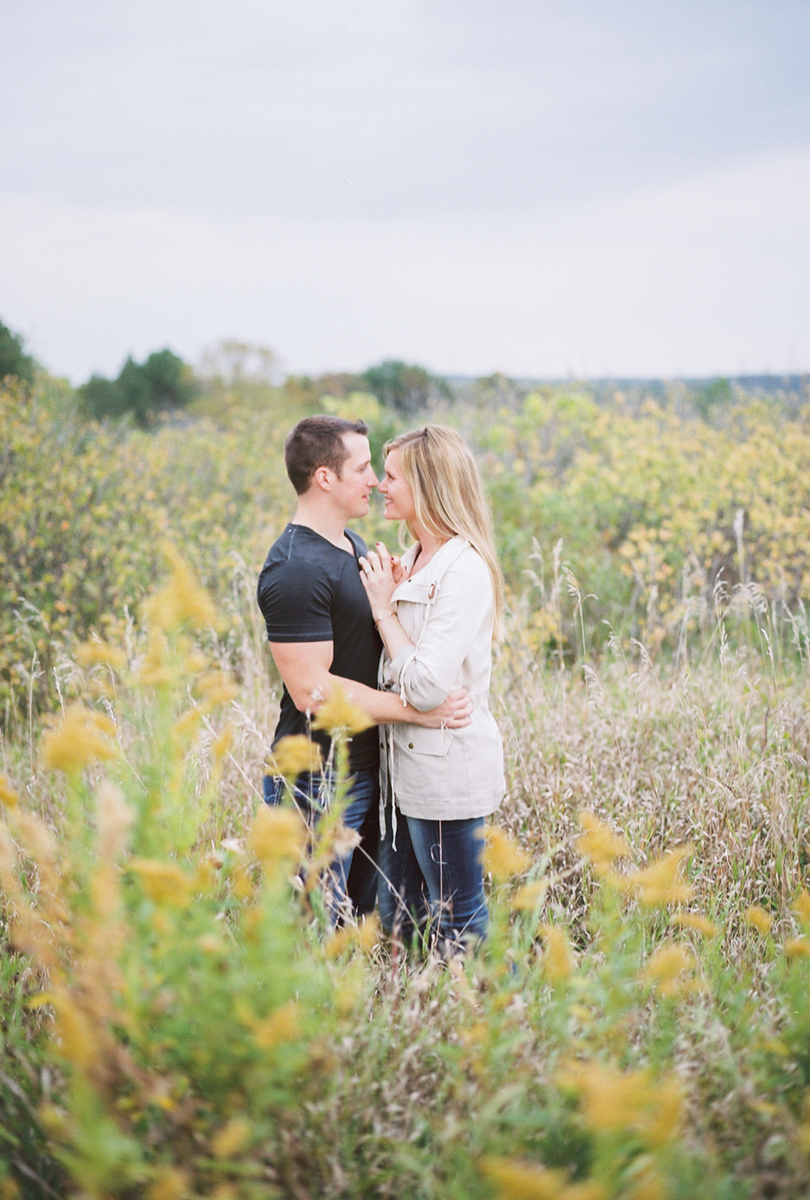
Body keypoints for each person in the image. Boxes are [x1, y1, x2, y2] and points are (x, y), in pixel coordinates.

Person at [256, 415, 472, 923]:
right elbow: (313, 691)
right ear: (324, 478)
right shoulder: (294, 569)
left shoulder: (351, 546)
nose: (375, 481)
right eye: (364, 468)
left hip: (370, 772)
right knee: (313, 932)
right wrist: (416, 712)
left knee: (370, 928)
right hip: (315, 778)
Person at [359, 424, 506, 953]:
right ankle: (437, 1017)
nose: (380, 484)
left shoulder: (462, 570)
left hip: (447, 771)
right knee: (414, 917)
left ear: (426, 485)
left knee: (460, 919)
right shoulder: (419, 556)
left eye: (392, 475)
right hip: (410, 771)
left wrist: (383, 609)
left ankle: (498, 1019)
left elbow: (423, 686)